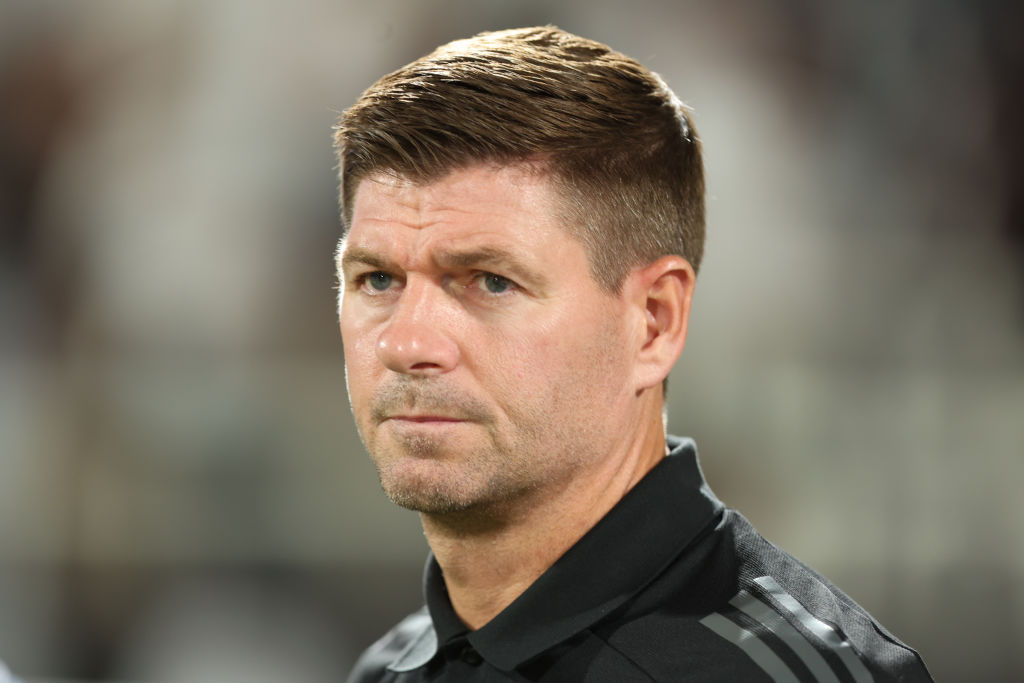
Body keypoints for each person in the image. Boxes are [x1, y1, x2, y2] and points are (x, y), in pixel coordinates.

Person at [333, 26, 933, 682]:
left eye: (490, 281)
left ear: (653, 322)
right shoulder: (389, 667)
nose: (406, 343)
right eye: (377, 279)